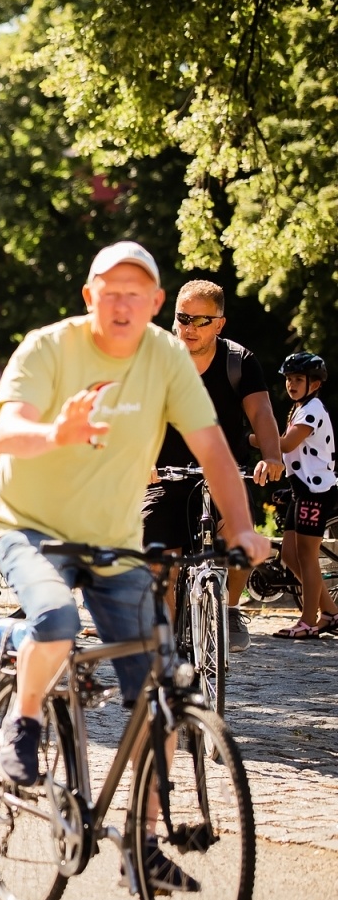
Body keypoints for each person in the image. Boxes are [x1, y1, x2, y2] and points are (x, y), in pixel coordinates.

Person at [0, 240, 270, 889]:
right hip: (31, 528)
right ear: (90, 296)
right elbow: (5, 433)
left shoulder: (166, 356)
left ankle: (141, 844)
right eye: (110, 291)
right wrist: (57, 433)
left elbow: (215, 450)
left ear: (156, 304)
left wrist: (244, 527)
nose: (121, 304)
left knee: (164, 686)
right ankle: (23, 720)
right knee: (55, 619)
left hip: (115, 540)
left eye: (135, 294)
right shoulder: (49, 347)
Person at [141, 279, 283, 651]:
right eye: (182, 317)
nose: (188, 327)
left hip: (222, 475)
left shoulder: (239, 362)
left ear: (219, 324)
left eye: (200, 321)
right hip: (164, 476)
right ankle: (169, 646)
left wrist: (272, 456)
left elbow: (262, 413)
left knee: (243, 541)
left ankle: (231, 608)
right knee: (159, 565)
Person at [265, 352, 336, 639]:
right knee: (289, 554)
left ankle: (308, 621)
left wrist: (247, 438)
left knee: (306, 555)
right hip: (301, 490)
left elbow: (285, 443)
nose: (291, 385)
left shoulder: (313, 409)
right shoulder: (299, 408)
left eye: (298, 380)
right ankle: (330, 612)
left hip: (316, 492)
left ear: (315, 384)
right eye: (289, 380)